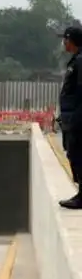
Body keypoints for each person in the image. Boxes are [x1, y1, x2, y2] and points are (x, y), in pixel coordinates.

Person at [58, 26, 82, 208]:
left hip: (77, 119)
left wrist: (75, 119)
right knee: (74, 154)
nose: (63, 43)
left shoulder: (80, 62)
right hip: (72, 118)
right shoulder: (76, 61)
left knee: (78, 155)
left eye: (65, 39)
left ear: (70, 40)